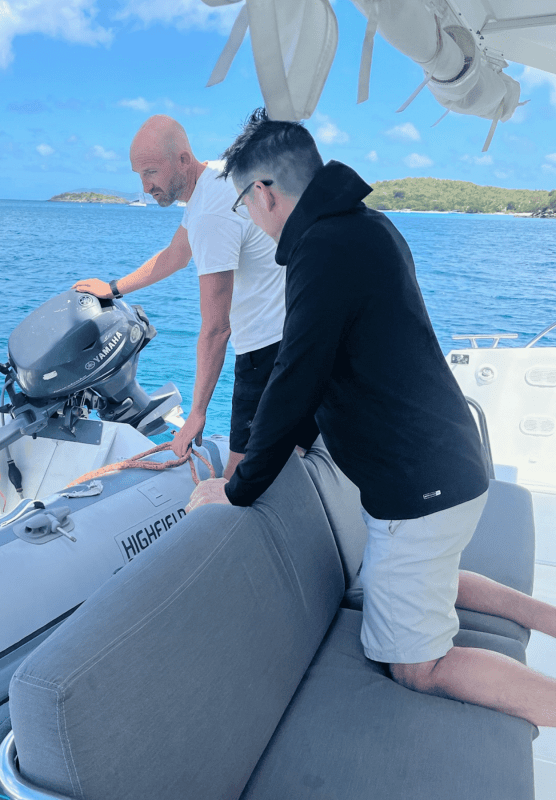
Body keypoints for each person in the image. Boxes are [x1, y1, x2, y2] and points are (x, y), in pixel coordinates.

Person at [186, 107, 556, 727]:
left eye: (243, 203)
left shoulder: (322, 250)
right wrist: (296, 441)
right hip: (447, 466)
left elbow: (296, 374)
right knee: (429, 572)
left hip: (420, 492)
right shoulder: (366, 226)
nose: (248, 217)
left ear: (265, 192)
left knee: (416, 666)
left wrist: (238, 487)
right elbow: (341, 357)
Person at [72, 115, 285, 479]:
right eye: (139, 175)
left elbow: (217, 329)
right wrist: (114, 288)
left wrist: (197, 413)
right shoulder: (215, 178)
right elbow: (176, 255)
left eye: (151, 172)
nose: (145, 186)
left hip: (266, 349)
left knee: (240, 478)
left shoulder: (210, 214)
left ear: (183, 160)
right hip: (293, 331)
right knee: (286, 454)